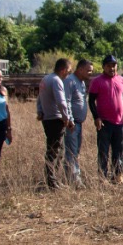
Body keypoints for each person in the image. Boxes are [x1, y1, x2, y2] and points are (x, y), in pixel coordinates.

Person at [88, 54, 123, 181]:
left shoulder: (121, 80)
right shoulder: (97, 81)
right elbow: (91, 101)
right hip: (104, 123)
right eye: (108, 66)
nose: (111, 68)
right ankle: (102, 178)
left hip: (120, 122)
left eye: (113, 65)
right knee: (103, 151)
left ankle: (117, 177)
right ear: (103, 67)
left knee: (118, 151)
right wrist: (96, 117)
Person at [36, 58, 74, 190]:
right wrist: (66, 118)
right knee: (54, 151)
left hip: (48, 119)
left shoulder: (45, 79)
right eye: (68, 71)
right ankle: (51, 181)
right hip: (56, 119)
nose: (68, 74)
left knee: (59, 150)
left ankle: (54, 179)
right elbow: (61, 102)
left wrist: (40, 111)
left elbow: (39, 98)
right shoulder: (57, 80)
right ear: (63, 70)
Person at [63, 58, 94, 186]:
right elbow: (66, 101)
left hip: (78, 123)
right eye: (88, 71)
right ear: (80, 69)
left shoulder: (81, 83)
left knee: (75, 151)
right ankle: (73, 180)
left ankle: (74, 177)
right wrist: (69, 119)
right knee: (71, 151)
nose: (90, 73)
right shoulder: (70, 81)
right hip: (72, 123)